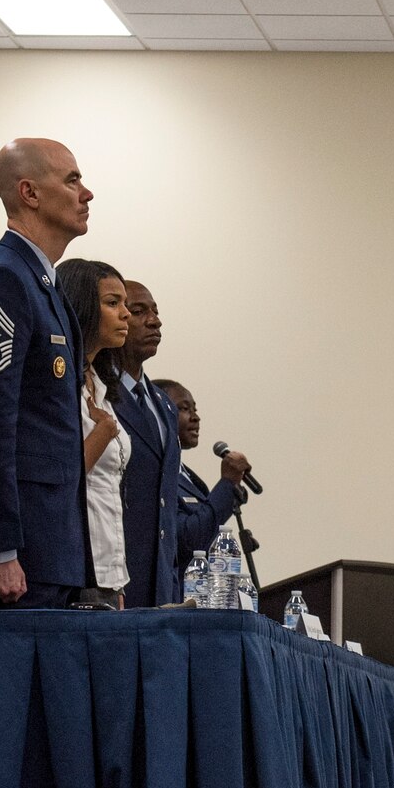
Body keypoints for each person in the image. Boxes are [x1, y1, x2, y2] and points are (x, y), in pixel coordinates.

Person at [0, 139, 93, 609]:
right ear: (29, 193)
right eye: (72, 180)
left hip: (50, 550)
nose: (86, 193)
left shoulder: (43, 285)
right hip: (17, 558)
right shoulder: (4, 280)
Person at [57, 258, 133, 603]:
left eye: (125, 304)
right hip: (70, 564)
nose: (125, 314)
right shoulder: (57, 383)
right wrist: (101, 435)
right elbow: (59, 476)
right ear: (83, 306)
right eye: (113, 303)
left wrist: (116, 580)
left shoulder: (100, 384)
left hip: (107, 570)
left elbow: (106, 490)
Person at [115, 281, 184, 607]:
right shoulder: (97, 395)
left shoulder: (164, 404)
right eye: (140, 312)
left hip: (162, 583)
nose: (155, 321)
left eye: (155, 312)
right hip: (116, 579)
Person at [151, 376, 251, 571]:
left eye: (195, 410)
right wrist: (226, 484)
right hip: (176, 593)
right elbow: (190, 539)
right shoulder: (157, 474)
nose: (196, 417)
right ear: (158, 413)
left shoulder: (191, 479)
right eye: (184, 408)